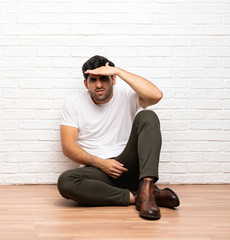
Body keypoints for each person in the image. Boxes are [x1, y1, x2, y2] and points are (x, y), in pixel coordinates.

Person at [57, 55, 179, 220]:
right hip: (97, 169)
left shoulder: (126, 94)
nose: (99, 84)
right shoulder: (74, 102)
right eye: (93, 80)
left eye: (104, 78)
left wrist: (118, 71)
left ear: (113, 79)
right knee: (66, 182)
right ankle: (143, 196)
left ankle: (147, 185)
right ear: (86, 83)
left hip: (127, 164)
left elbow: (156, 95)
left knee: (148, 116)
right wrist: (101, 163)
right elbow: (68, 147)